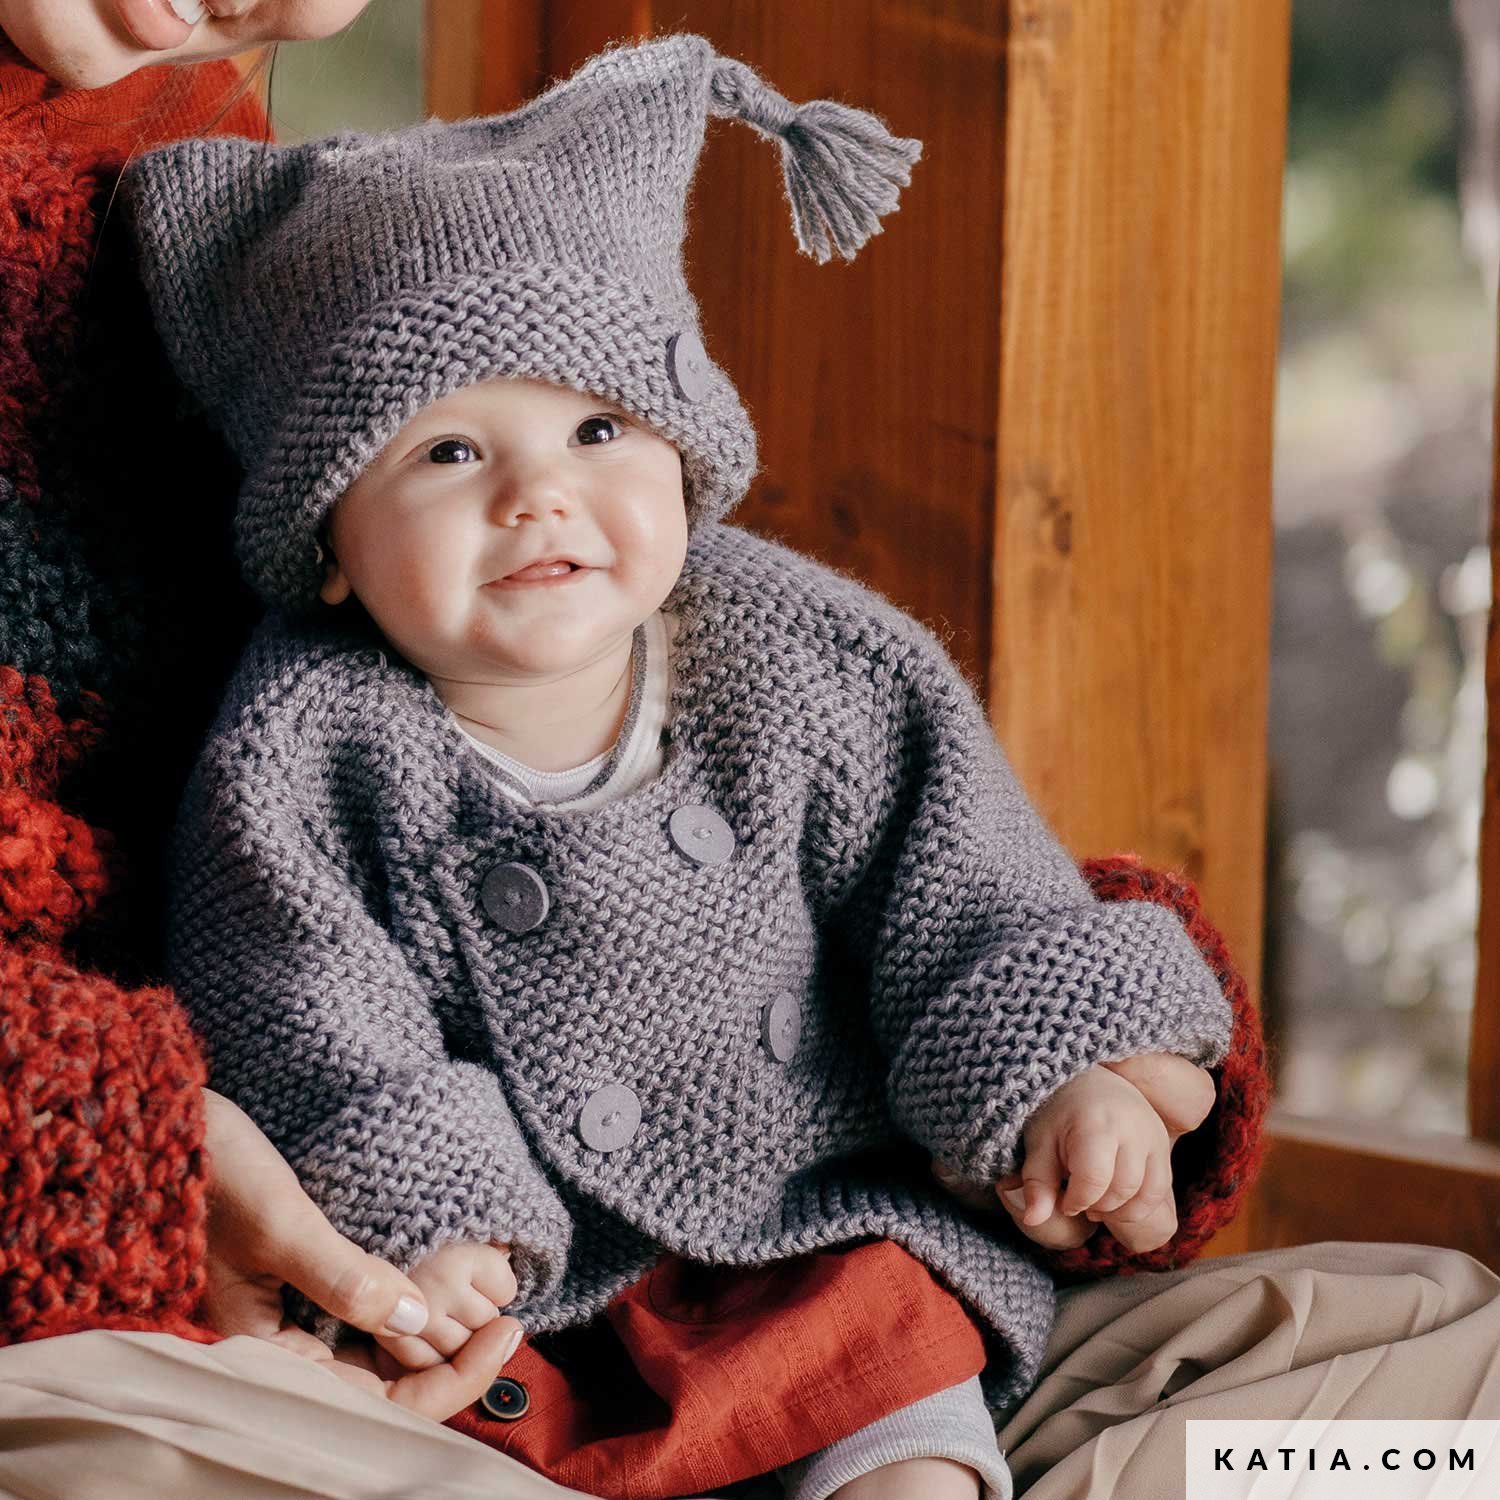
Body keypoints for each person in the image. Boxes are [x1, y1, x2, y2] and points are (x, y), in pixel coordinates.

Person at [0, 9, 1494, 1500]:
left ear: (689, 453)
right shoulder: (303, 751)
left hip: (817, 1236)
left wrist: (1078, 1073)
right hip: (538, 1305)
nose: (539, 498)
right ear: (325, 542)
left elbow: (965, 888)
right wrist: (433, 1222)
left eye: (600, 428)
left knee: (1393, 1369)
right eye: (448, 454)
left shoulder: (810, 658)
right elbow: (315, 1019)